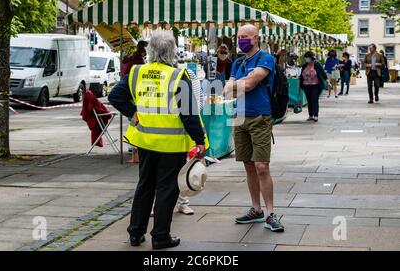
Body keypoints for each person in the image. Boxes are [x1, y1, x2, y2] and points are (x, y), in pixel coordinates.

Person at [108, 30, 209, 250]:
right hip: (171, 145)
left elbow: (114, 96)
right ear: (172, 52)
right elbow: (189, 113)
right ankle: (161, 236)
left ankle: (135, 233)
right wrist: (199, 140)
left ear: (150, 51)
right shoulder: (177, 76)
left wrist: (132, 113)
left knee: (145, 185)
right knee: (166, 188)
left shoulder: (136, 72)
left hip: (145, 141)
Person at [223, 24, 284, 232]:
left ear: (256, 38)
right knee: (248, 165)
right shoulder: (238, 62)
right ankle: (256, 209)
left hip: (260, 118)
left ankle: (270, 213)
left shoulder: (266, 59)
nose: (241, 40)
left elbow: (249, 85)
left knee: (261, 166)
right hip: (239, 118)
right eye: (239, 36)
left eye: (245, 37)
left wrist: (239, 84)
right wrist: (242, 82)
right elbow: (226, 91)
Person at [299, 51, 330, 122]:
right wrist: (299, 85)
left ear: (311, 58)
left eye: (307, 57)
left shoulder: (317, 65)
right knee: (309, 101)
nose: (306, 59)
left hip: (316, 85)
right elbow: (301, 76)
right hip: (306, 86)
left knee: (314, 99)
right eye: (305, 57)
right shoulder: (304, 65)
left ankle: (315, 115)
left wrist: (328, 82)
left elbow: (323, 74)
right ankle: (310, 115)